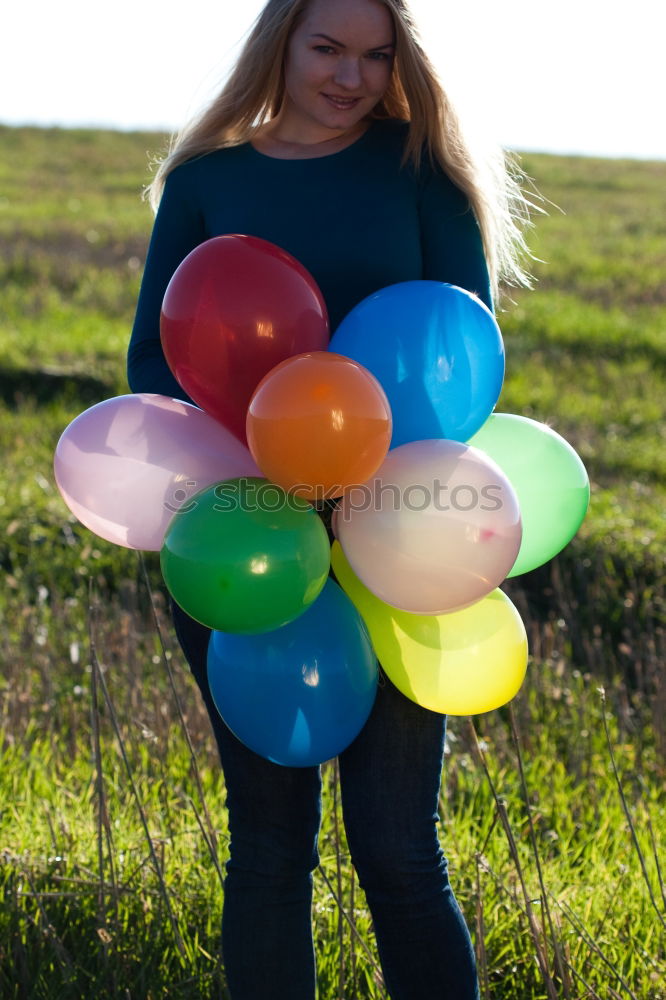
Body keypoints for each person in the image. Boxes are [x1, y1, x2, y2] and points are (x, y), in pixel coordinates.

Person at [127, 1, 532, 996]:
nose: (351, 77)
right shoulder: (205, 184)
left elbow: (458, 358)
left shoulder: (421, 175)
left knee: (398, 849)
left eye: (376, 55)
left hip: (396, 535)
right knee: (268, 845)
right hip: (248, 540)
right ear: (281, 44)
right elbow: (153, 359)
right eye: (328, 49)